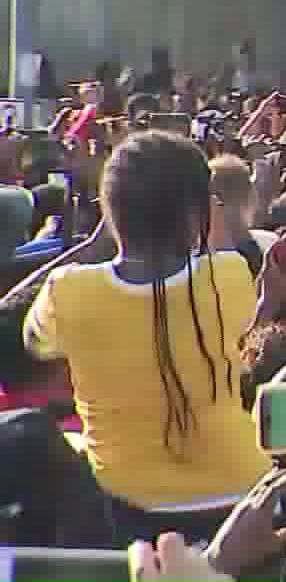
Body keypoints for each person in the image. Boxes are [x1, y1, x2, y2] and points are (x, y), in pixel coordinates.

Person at [23, 132, 270, 541]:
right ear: (197, 214)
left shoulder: (67, 291)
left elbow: (32, 340)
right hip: (240, 500)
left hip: (127, 512)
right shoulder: (230, 277)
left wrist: (93, 245)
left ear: (109, 209)